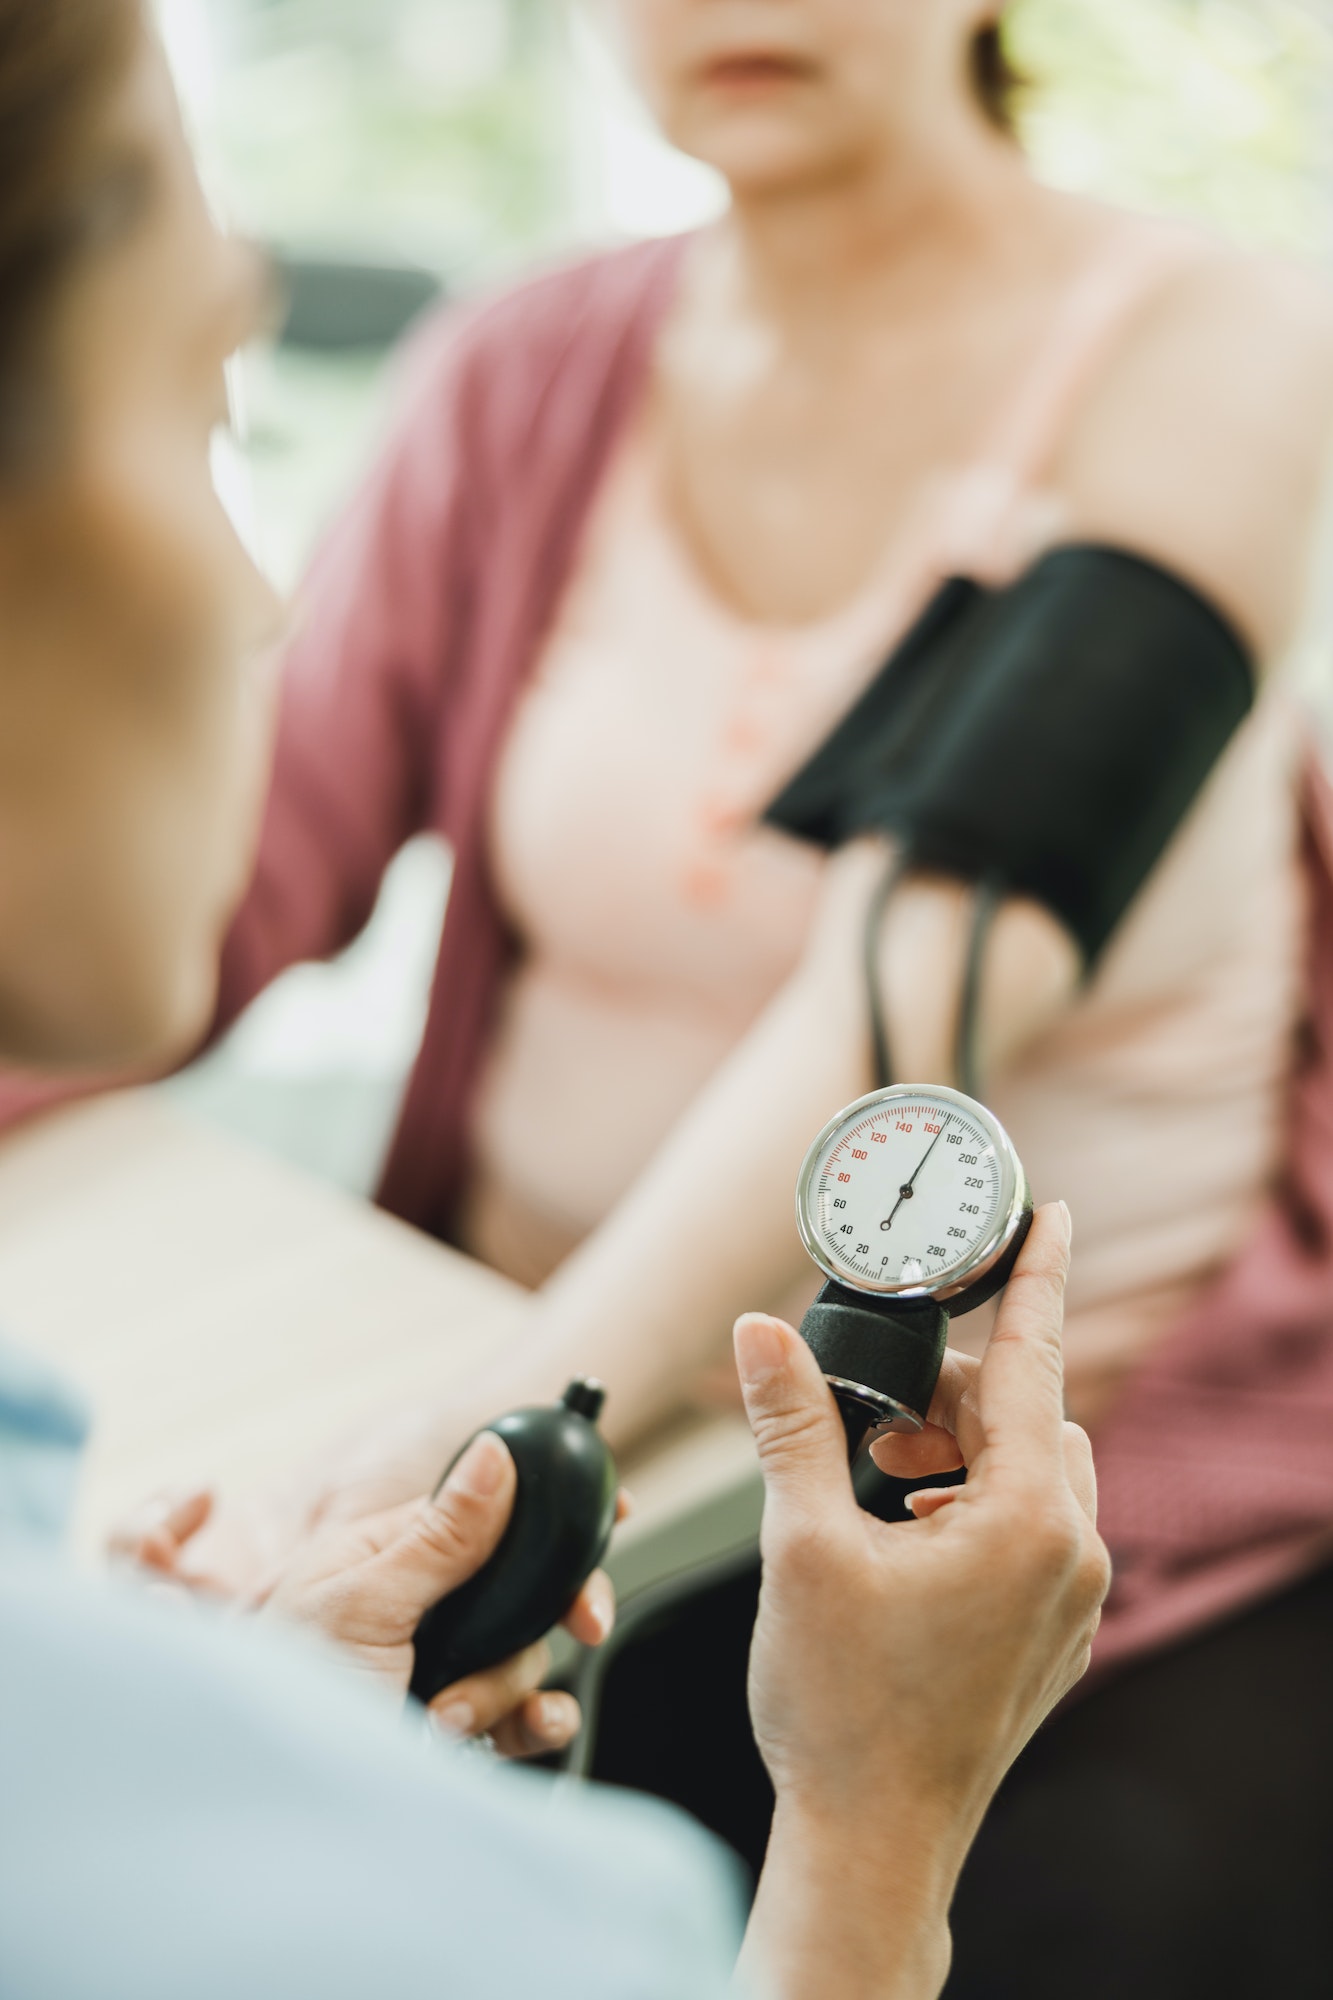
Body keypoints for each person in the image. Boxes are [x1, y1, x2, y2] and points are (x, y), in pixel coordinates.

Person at [3, 2, 1333, 1979]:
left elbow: (930, 943)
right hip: (537, 1423)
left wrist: (495, 1418)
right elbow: (217, 870)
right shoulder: (524, 371)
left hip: (1051, 1498)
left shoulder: (1223, 346)